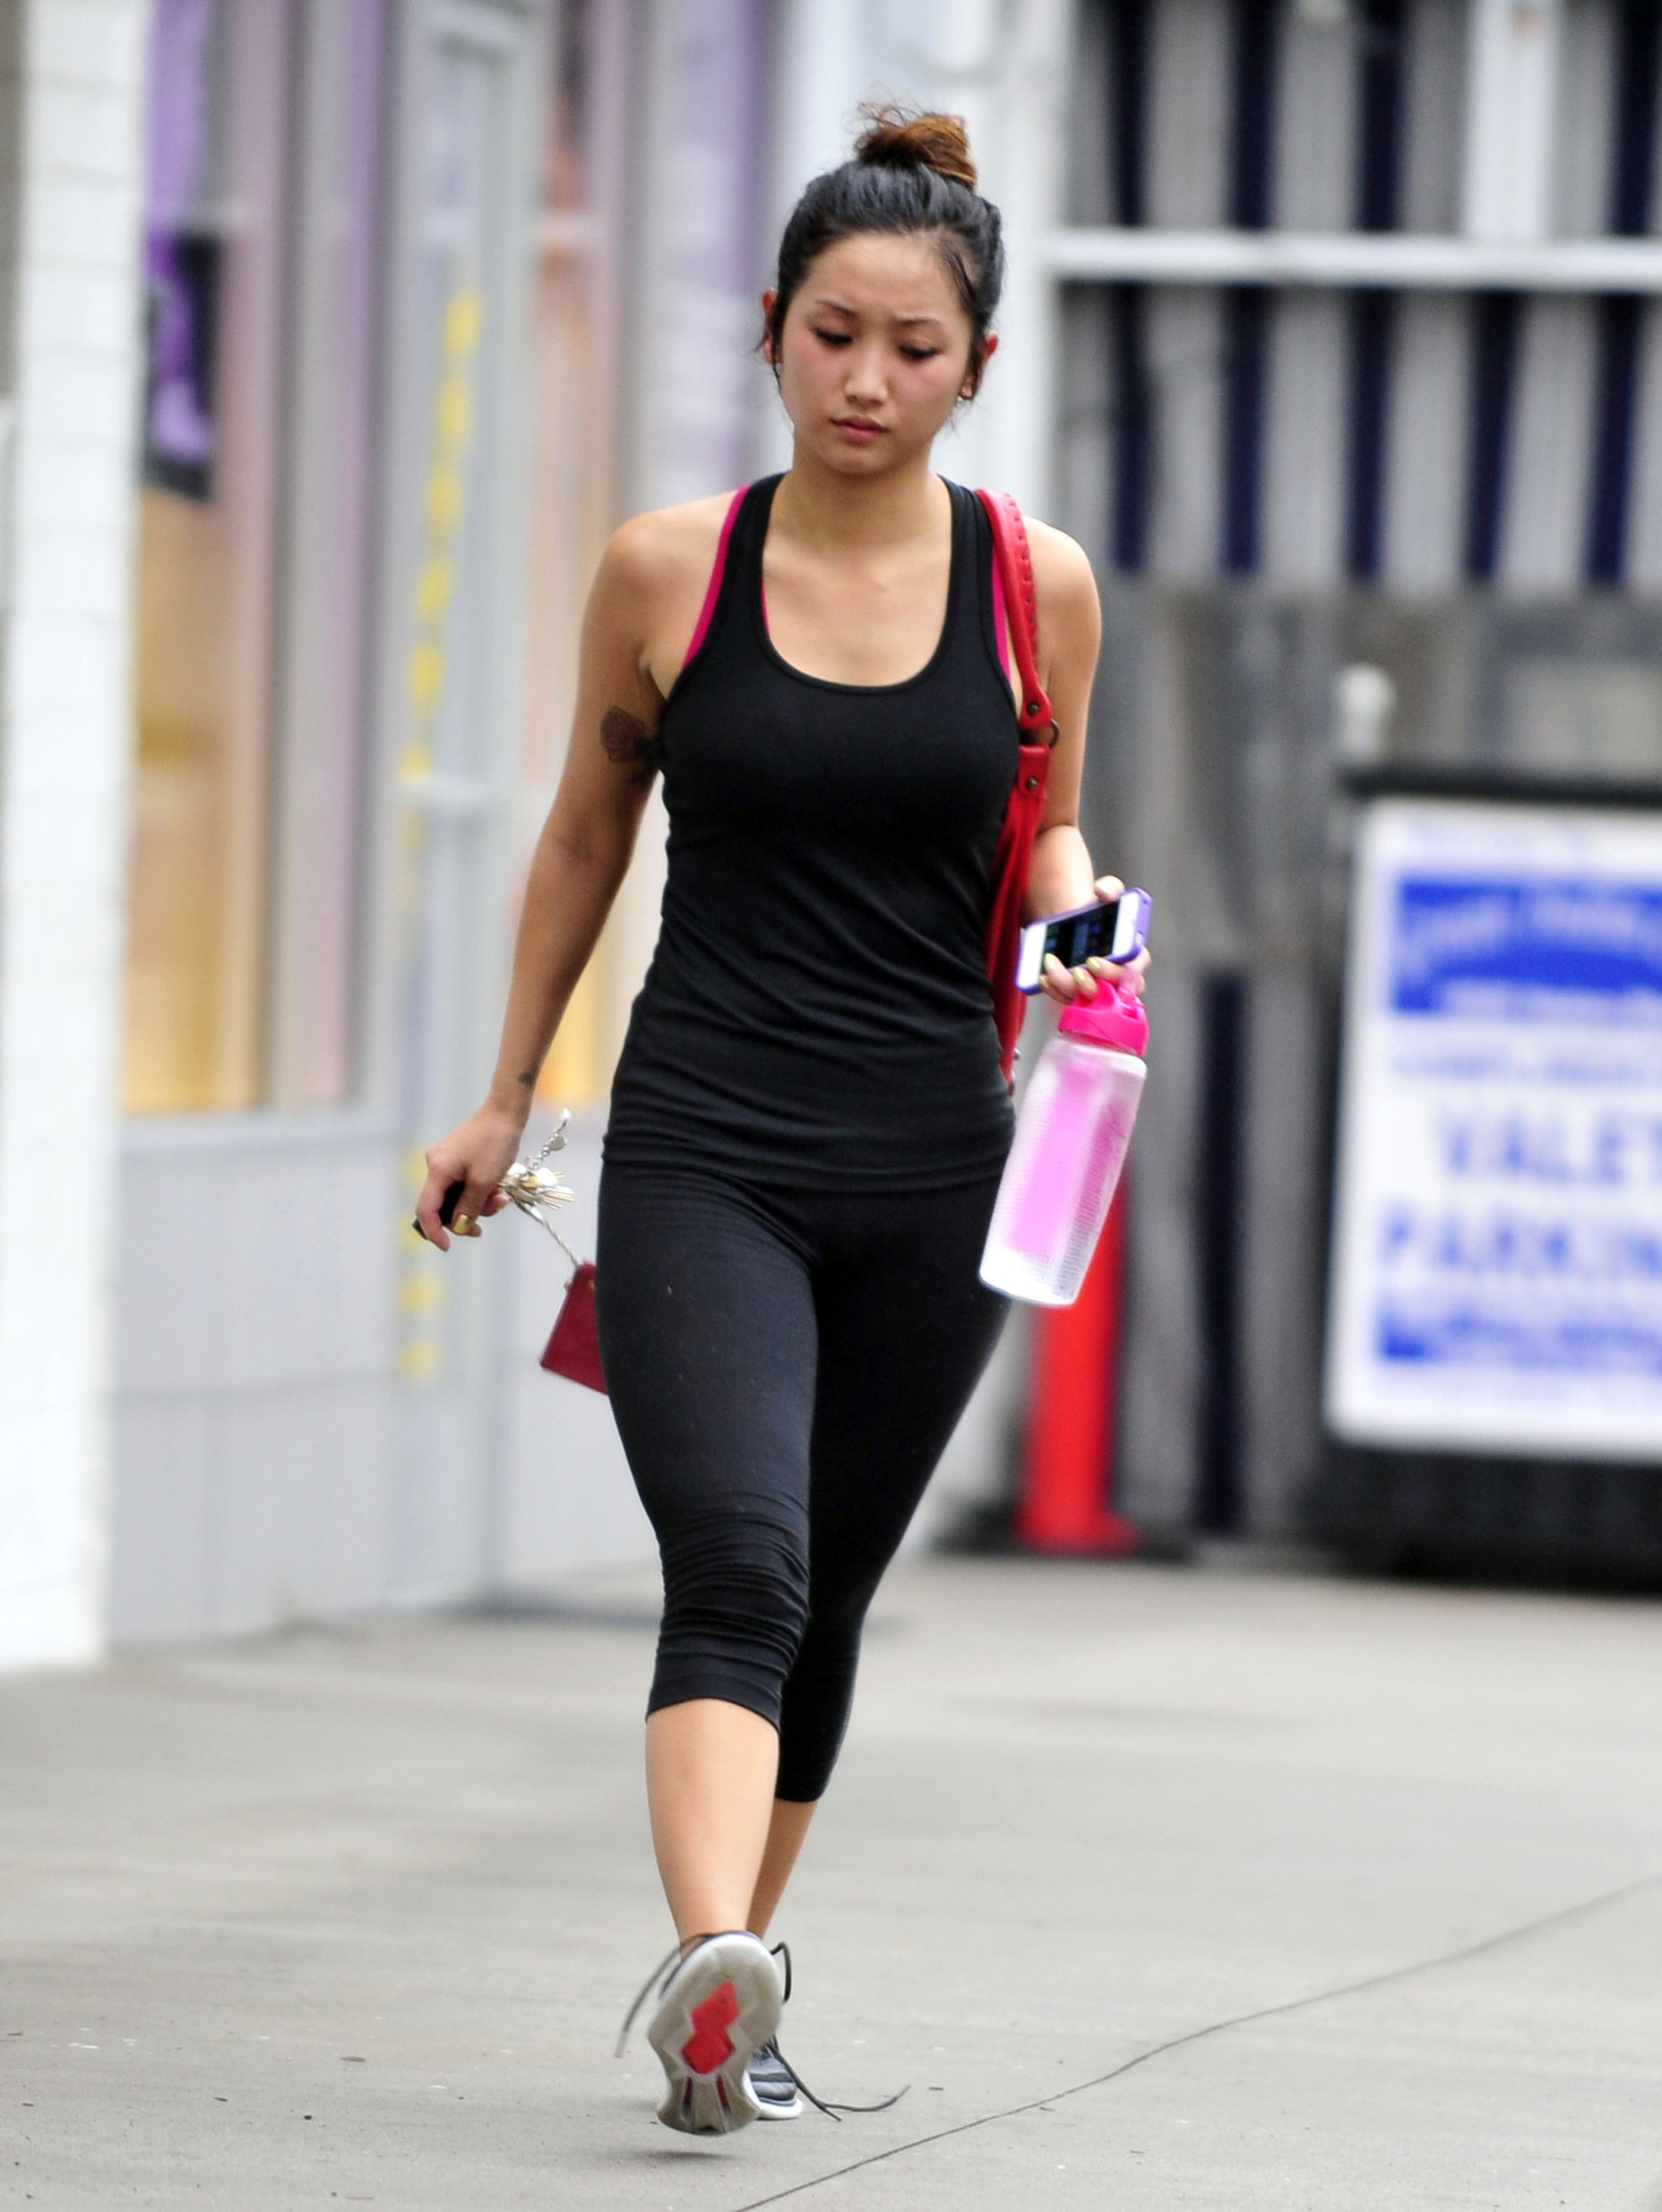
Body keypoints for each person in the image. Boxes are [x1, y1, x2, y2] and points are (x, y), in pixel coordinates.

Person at [415, 106, 1146, 2136]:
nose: (866, 380)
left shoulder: (1038, 585)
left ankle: (724, 2008)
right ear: (767, 327)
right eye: (833, 334)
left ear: (976, 365)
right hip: (707, 1141)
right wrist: (503, 1092)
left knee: (822, 1590)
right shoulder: (673, 568)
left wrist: (1081, 924)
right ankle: (713, 1954)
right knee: (736, 1557)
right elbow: (584, 833)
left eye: (914, 348)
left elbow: (1045, 818)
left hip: (940, 1161)